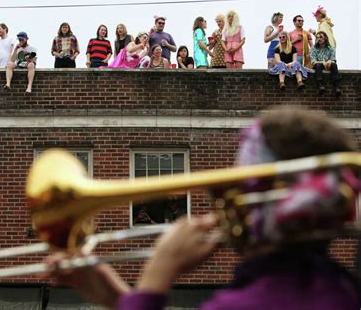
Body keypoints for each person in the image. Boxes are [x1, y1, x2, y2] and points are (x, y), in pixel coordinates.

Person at [43, 107, 361, 310]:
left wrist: (159, 271)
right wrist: (117, 298)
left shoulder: (255, 300)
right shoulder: (333, 286)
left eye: (241, 179)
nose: (226, 191)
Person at [310, 31, 341, 96]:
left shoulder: (331, 49)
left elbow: (334, 59)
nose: (319, 39)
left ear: (325, 38)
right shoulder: (314, 49)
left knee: (334, 65)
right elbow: (313, 61)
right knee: (318, 65)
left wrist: (330, 61)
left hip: (328, 64)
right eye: (317, 38)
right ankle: (320, 85)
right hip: (318, 65)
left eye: (321, 37)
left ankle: (337, 87)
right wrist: (322, 62)